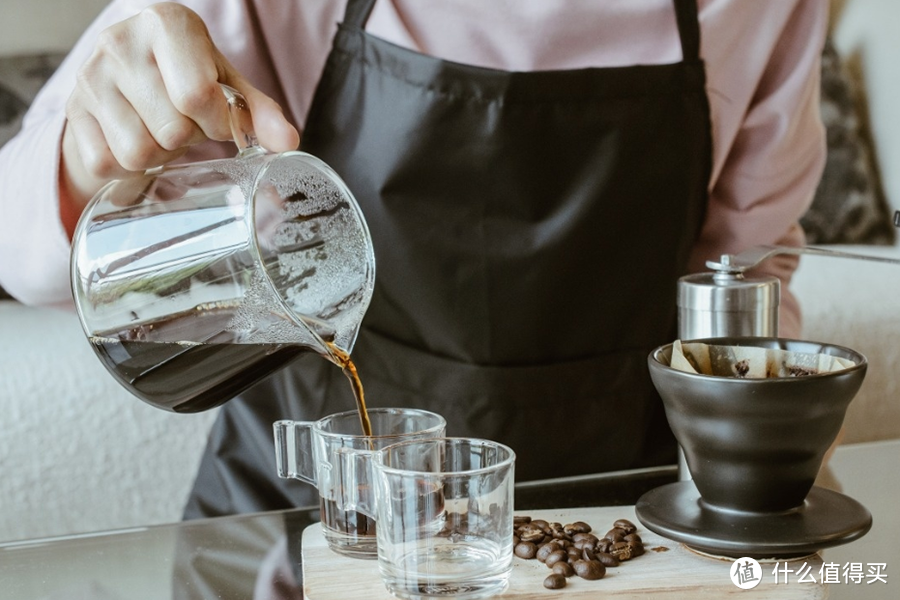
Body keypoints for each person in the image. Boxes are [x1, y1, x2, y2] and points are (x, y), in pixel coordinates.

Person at [0, 0, 828, 521]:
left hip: (612, 519)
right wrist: (88, 151)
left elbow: (743, 277)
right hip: (291, 524)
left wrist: (748, 511)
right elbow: (19, 252)